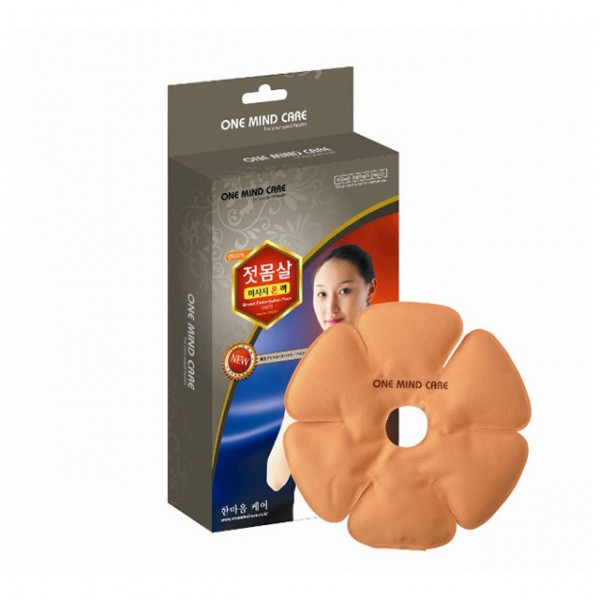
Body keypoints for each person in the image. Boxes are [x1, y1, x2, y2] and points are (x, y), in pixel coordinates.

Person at [266, 244, 377, 494]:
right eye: (322, 294)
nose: (331, 308)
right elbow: (275, 478)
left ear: (370, 289)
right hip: (320, 502)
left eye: (345, 291)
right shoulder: (313, 367)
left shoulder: (393, 356)